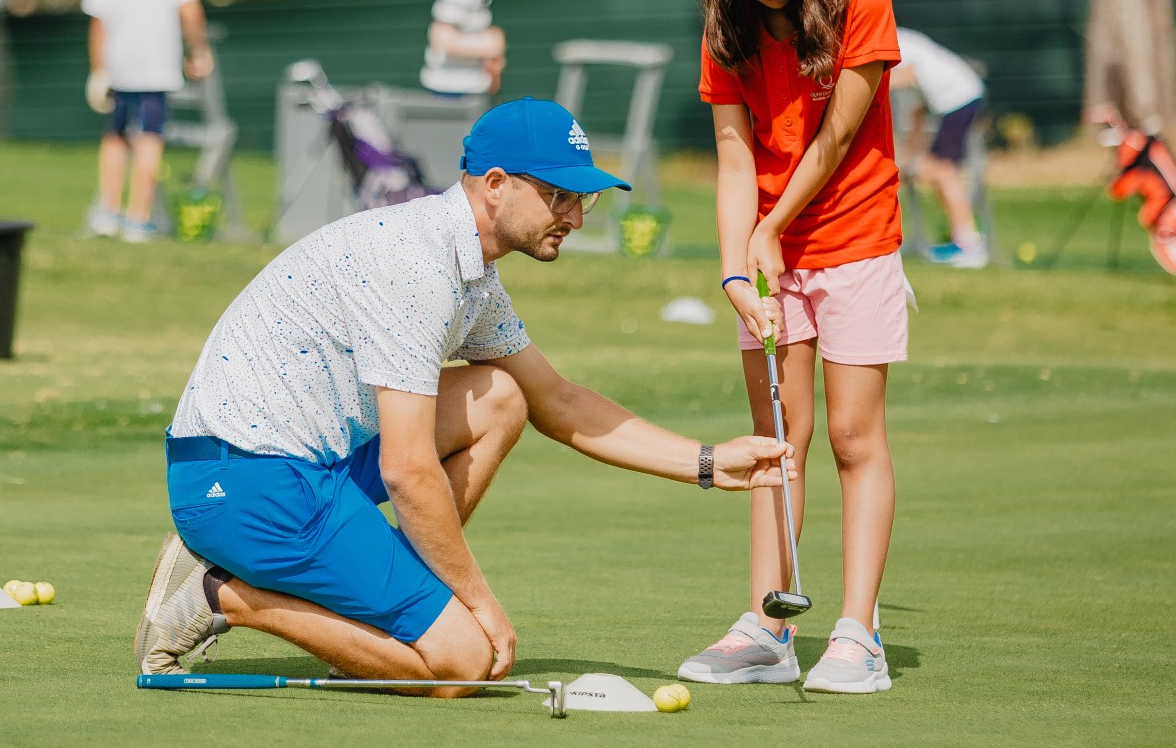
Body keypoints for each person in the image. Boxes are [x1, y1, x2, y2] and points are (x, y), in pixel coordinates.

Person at [135, 97, 795, 691]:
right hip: (241, 483)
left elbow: (556, 402)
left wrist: (708, 463)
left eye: (581, 200)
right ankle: (222, 595)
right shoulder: (417, 265)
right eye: (559, 195)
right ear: (496, 185)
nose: (574, 217)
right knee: (461, 664)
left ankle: (372, 617)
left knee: (503, 396)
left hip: (300, 468)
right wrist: (475, 602)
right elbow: (407, 468)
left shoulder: (468, 269)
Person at [685, 0, 904, 694]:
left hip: (854, 240)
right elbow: (735, 157)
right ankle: (768, 630)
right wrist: (735, 270)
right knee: (777, 443)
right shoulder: (728, 29)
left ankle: (859, 637)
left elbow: (839, 138)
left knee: (855, 438)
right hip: (768, 260)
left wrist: (771, 232)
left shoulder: (865, 1)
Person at [81, 0, 212, 243]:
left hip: (119, 69)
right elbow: (191, 12)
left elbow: (98, 23)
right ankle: (137, 220)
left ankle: (108, 213)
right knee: (150, 139)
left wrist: (98, 70)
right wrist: (198, 50)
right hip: (157, 69)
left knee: (115, 138)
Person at [893, 28, 987, 267]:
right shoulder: (904, 59)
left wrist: (860, 81)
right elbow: (918, 114)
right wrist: (906, 158)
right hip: (956, 102)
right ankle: (961, 237)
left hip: (959, 100)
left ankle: (969, 244)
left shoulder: (895, 41)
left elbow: (907, 75)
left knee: (940, 170)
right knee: (934, 169)